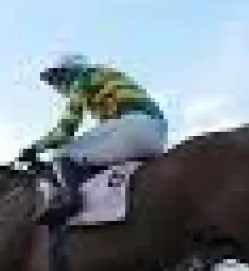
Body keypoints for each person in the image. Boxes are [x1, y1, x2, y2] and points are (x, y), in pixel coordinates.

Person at [18, 53, 170, 222]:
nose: (58, 87)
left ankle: (73, 201)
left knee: (63, 154)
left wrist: (34, 148)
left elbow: (65, 130)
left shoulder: (82, 78)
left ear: (70, 71)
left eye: (58, 79)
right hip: (157, 133)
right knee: (90, 158)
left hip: (134, 127)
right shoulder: (105, 77)